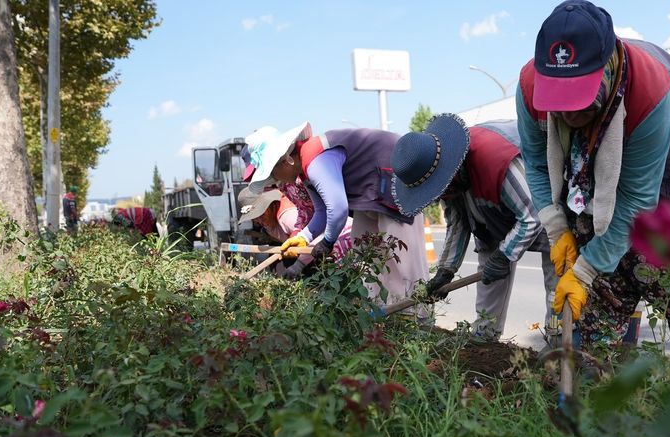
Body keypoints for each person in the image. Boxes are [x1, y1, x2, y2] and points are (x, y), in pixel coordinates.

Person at [517, 0, 670, 367]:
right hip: (602, 198)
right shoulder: (530, 88)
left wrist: (584, 271)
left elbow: (635, 202)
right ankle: (601, 405)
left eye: (580, 104)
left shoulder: (652, 92)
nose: (570, 116)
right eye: (561, 105)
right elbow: (537, 165)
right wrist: (557, 228)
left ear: (608, 68)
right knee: (596, 349)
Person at [391, 113, 556, 339]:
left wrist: (504, 256)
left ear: (450, 170)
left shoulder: (495, 159)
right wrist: (445, 271)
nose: (442, 195)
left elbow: (532, 215)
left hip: (550, 208)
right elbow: (457, 224)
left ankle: (561, 348)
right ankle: (484, 338)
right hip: (494, 220)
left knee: (557, 289)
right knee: (488, 290)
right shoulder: (449, 181)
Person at [242, 123, 428, 305]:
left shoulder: (315, 159)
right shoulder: (305, 170)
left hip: (393, 182)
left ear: (285, 160)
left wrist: (327, 242)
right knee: (364, 250)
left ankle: (418, 317)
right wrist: (303, 237)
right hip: (371, 194)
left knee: (403, 260)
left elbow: (337, 208)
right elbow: (322, 212)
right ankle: (382, 310)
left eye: (273, 173)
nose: (275, 180)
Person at [237, 185, 353, 278]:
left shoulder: (288, 217)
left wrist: (298, 265)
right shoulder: (269, 221)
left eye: (260, 215)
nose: (258, 221)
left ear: (270, 206)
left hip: (343, 239)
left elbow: (317, 238)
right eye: (254, 218)